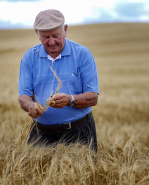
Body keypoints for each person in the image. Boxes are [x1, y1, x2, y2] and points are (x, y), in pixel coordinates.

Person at [18, 9, 99, 153]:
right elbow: (23, 96)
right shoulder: (29, 57)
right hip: (41, 133)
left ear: (65, 30)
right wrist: (31, 106)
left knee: (83, 174)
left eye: (56, 35)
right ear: (37, 33)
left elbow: (93, 97)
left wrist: (70, 99)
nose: (51, 42)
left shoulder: (82, 54)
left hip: (78, 131)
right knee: (34, 174)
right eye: (45, 37)